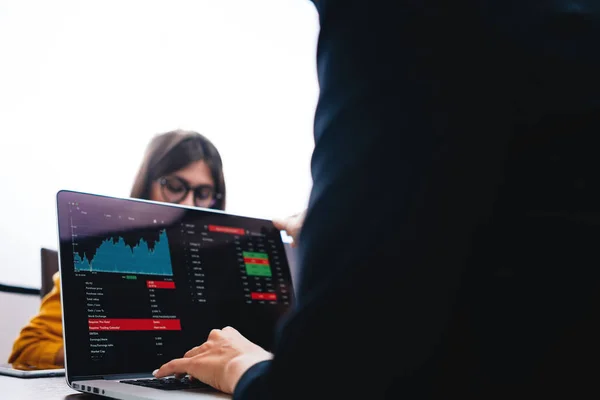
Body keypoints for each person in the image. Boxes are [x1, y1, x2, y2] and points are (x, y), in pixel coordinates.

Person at [153, 1, 600, 399]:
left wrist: (239, 365)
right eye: (176, 186)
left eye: (204, 191)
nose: (192, 200)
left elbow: (327, 383)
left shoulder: (393, 18)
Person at [8, 129, 228, 369]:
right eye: (175, 187)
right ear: (146, 185)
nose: (189, 205)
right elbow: (28, 349)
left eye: (203, 193)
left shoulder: (225, 267)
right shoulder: (99, 255)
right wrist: (106, 353)